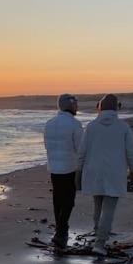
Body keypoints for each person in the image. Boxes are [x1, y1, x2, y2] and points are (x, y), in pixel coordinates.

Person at [77, 94, 133, 255]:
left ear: (100, 107)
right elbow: (131, 152)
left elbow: (82, 152)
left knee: (98, 204)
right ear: (117, 108)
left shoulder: (91, 127)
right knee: (108, 208)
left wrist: (79, 170)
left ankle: (98, 233)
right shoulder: (123, 127)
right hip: (115, 172)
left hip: (93, 170)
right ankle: (100, 242)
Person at [43, 93, 83, 249]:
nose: (77, 107)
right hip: (69, 167)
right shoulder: (74, 124)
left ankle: (60, 230)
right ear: (70, 105)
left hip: (54, 167)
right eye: (75, 104)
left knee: (57, 199)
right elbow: (80, 148)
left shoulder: (49, 123)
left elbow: (47, 146)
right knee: (68, 200)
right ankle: (61, 231)